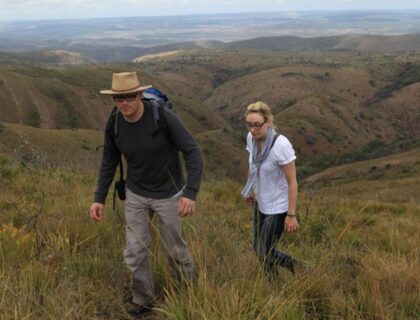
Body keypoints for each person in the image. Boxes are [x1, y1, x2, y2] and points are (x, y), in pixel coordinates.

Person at [89, 71, 202, 315]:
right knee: (135, 250)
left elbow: (192, 151)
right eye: (118, 99)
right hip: (136, 194)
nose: (124, 103)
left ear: (140, 94)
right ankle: (143, 300)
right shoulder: (115, 122)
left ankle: (190, 294)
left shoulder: (162, 116)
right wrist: (99, 198)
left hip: (169, 194)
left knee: (175, 250)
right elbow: (109, 160)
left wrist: (190, 193)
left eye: (129, 96)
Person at [241, 101, 299, 276]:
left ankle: (298, 268)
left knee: (264, 250)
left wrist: (291, 214)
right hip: (261, 203)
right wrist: (249, 189)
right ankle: (273, 286)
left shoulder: (280, 145)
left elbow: (292, 182)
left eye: (257, 125)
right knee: (259, 248)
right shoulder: (251, 139)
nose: (252, 129)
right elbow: (252, 166)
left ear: (268, 122)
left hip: (278, 207)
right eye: (249, 124)